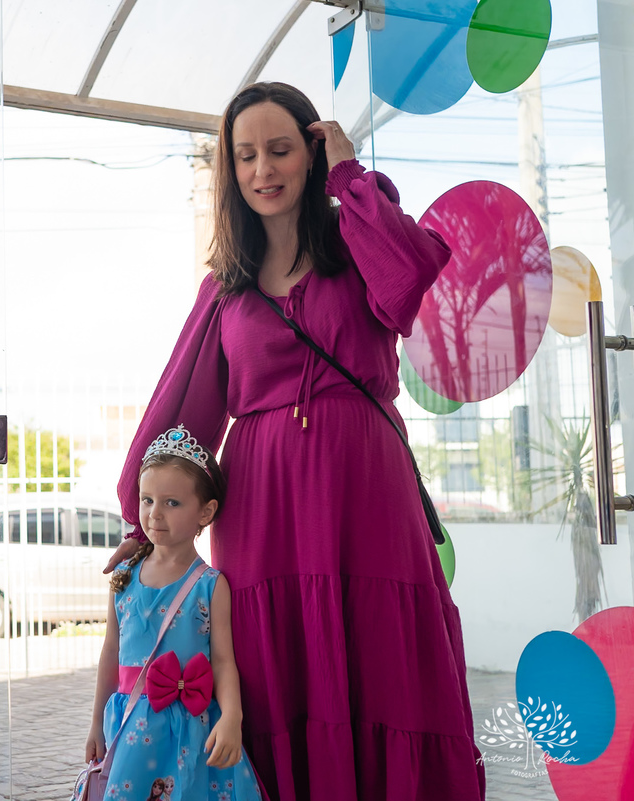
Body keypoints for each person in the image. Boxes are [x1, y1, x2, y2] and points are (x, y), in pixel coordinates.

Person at [105, 83, 485, 800]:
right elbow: (182, 409)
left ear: (310, 153)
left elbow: (410, 281)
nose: (262, 170)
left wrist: (350, 175)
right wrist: (142, 517)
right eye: (245, 156)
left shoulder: (358, 241)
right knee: (275, 669)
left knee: (382, 658)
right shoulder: (225, 286)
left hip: (366, 490)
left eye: (280, 150)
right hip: (265, 506)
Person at [86, 425, 264, 801]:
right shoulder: (124, 577)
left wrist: (232, 717)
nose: (154, 514)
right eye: (147, 499)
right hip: (132, 726)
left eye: (172, 503)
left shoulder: (211, 585)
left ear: (206, 511)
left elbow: (222, 661)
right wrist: (95, 725)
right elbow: (111, 653)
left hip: (193, 731)